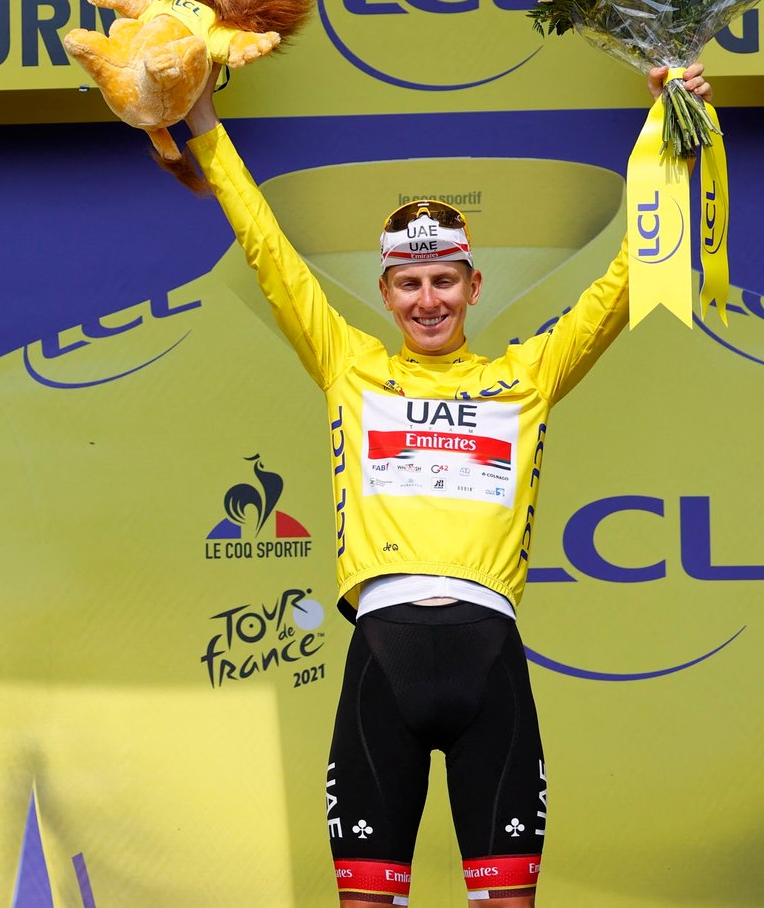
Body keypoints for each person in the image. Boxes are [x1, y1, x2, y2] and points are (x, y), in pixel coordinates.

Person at [178, 62, 710, 907]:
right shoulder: (349, 363)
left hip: (489, 660)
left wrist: (676, 137)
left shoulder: (527, 373)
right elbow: (268, 252)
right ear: (385, 293)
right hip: (378, 661)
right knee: (364, 901)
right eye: (410, 284)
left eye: (445, 281)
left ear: (473, 285)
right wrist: (204, 122)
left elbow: (625, 282)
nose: (429, 300)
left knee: (507, 901)